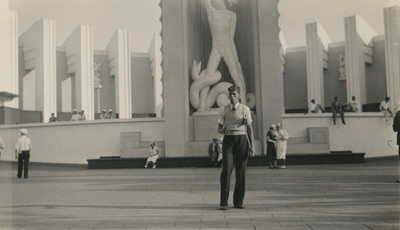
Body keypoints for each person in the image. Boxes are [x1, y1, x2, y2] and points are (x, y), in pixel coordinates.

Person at [197, 0, 247, 112]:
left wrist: (236, 59)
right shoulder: (211, 12)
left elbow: (231, 38)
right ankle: (202, 105)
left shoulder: (232, 15)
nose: (214, 2)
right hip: (216, 49)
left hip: (228, 48)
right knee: (208, 78)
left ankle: (244, 104)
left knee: (237, 77)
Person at [217, 85, 253, 210]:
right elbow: (219, 129)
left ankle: (238, 201)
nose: (232, 97)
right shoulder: (223, 110)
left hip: (242, 140)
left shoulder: (245, 109)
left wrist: (251, 145)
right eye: (230, 94)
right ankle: (223, 202)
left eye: (235, 95)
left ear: (239, 96)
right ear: (228, 96)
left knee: (241, 172)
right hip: (229, 141)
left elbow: (249, 129)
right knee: (227, 170)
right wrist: (224, 129)